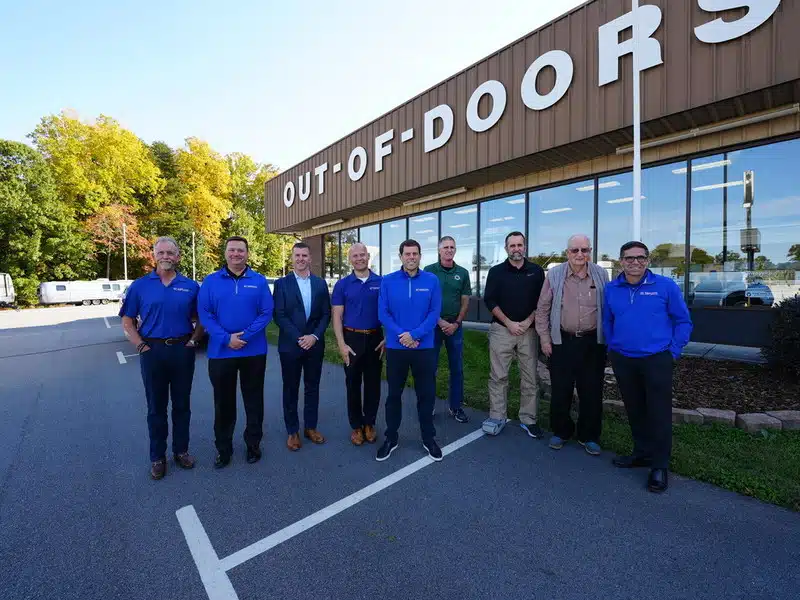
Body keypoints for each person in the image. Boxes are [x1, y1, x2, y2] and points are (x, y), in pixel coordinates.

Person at [603, 241, 692, 493]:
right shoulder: (611, 289)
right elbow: (607, 320)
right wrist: (613, 346)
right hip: (623, 359)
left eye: (640, 258)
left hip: (657, 359)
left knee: (658, 412)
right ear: (621, 261)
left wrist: (672, 352)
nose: (635, 262)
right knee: (634, 408)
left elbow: (683, 321)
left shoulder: (665, 287)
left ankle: (659, 465)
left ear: (648, 261)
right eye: (629, 258)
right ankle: (641, 453)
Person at [119, 236, 204, 480]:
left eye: (171, 253)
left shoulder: (190, 286)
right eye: (162, 252)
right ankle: (157, 456)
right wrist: (140, 346)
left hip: (181, 350)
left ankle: (181, 451)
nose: (166, 257)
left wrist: (194, 340)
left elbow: (201, 318)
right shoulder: (140, 286)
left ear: (178, 257)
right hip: (152, 352)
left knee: (181, 406)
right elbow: (127, 320)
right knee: (156, 408)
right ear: (154, 255)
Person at [198, 236, 274, 468]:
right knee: (223, 403)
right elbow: (205, 314)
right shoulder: (211, 282)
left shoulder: (259, 281)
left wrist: (245, 336)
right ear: (225, 253)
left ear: (247, 254)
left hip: (253, 352)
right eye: (232, 250)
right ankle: (224, 449)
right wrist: (226, 338)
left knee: (254, 401)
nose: (236, 254)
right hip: (221, 353)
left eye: (240, 250)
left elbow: (266, 312)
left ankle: (253, 444)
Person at [535, 234, 609, 455]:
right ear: (567, 252)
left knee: (592, 391)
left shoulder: (601, 274)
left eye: (584, 250)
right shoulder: (555, 275)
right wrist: (545, 339)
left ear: (590, 252)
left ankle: (589, 436)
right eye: (575, 250)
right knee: (561, 390)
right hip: (562, 342)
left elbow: (609, 307)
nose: (580, 255)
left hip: (592, 343)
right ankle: (561, 431)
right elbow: (542, 309)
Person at [376, 239, 443, 462]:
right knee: (394, 395)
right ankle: (391, 438)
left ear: (420, 256)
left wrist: (414, 335)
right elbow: (383, 314)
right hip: (397, 348)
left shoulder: (431, 280)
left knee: (426, 395)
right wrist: (403, 336)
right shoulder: (388, 281)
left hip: (424, 348)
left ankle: (428, 438)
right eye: (407, 254)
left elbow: (434, 313)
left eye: (415, 254)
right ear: (401, 256)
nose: (411, 257)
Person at [482, 231, 545, 438]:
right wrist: (509, 323)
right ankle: (497, 416)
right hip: (502, 330)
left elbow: (542, 302)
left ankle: (529, 419)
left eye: (520, 245)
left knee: (530, 377)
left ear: (525, 247)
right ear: (506, 248)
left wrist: (527, 322)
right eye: (512, 245)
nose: (516, 249)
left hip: (529, 330)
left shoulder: (536, 271)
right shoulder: (496, 272)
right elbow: (490, 301)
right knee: (499, 375)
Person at [273, 242, 331, 451]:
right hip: (291, 346)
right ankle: (292, 431)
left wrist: (314, 336)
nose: (300, 259)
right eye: (297, 255)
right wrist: (300, 337)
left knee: (312, 387)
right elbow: (279, 315)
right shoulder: (281, 284)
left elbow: (326, 314)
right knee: (290, 389)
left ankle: (311, 427)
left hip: (315, 345)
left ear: (310, 258)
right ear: (292, 258)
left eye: (304, 255)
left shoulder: (320, 284)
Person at [331, 243, 385, 446]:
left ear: (368, 256)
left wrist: (387, 337)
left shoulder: (381, 282)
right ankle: (356, 426)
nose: (359, 258)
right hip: (351, 339)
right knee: (352, 384)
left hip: (375, 339)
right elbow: (337, 316)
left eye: (362, 255)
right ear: (350, 259)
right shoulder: (343, 285)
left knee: (373, 384)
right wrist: (341, 344)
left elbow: (391, 311)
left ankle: (369, 423)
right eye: (355, 255)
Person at [424, 235, 472, 423]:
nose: (449, 250)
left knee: (457, 369)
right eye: (445, 247)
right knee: (430, 368)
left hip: (455, 326)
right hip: (433, 326)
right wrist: (439, 322)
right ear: (439, 250)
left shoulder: (463, 272)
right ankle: (429, 405)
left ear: (455, 250)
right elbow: (425, 301)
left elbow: (465, 300)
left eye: (452, 247)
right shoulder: (429, 271)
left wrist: (456, 323)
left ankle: (456, 407)